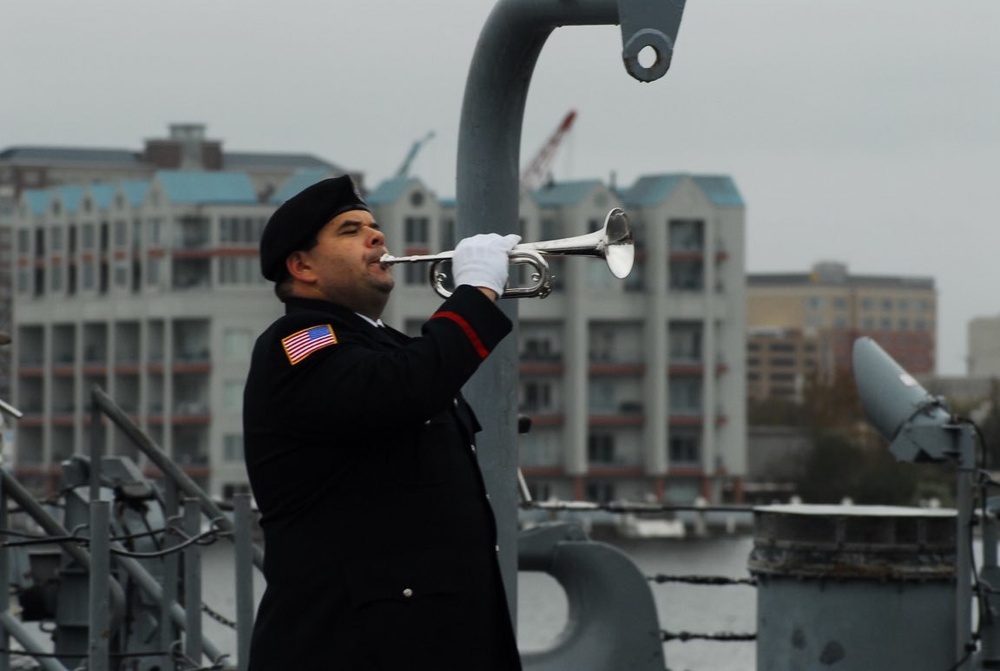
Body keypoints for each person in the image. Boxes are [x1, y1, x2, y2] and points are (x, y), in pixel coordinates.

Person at [242, 175, 523, 670]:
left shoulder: (382, 346)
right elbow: (407, 386)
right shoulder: (298, 343)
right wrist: (477, 291)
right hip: (355, 645)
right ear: (302, 266)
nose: (377, 238)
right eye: (351, 231)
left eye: (375, 227)